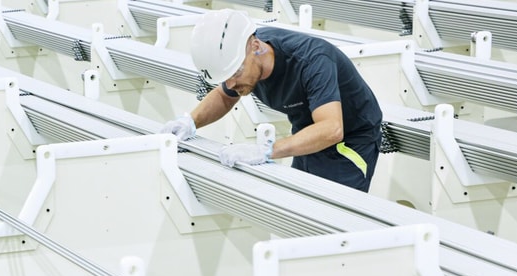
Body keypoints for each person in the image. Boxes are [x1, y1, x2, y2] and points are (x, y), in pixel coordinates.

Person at [162, 9, 383, 192]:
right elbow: (223, 95)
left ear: (256, 47)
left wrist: (266, 151)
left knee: (333, 223)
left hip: (349, 143)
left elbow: (331, 129)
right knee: (300, 211)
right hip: (306, 134)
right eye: (225, 78)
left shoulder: (313, 60)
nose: (231, 84)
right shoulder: (244, 61)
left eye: (235, 74)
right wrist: (190, 122)